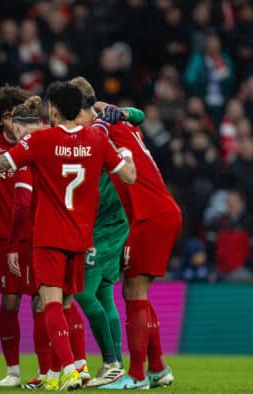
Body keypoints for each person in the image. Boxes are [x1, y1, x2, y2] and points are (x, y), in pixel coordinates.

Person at [0, 81, 136, 391]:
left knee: (49, 303)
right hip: (81, 236)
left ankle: (66, 368)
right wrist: (129, 156)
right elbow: (129, 176)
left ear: (52, 110)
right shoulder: (96, 138)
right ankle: (73, 368)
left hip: (50, 235)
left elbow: (0, 165)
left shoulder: (41, 140)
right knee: (65, 304)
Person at [92, 92, 182, 390]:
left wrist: (118, 112)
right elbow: (138, 114)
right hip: (157, 212)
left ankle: (137, 376)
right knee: (138, 292)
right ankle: (156, 369)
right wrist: (125, 112)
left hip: (150, 216)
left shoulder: (102, 129)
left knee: (133, 292)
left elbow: (132, 112)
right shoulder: (125, 127)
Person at [69, 76, 147, 387]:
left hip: (109, 223)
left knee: (82, 292)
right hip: (102, 221)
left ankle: (113, 361)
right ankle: (114, 365)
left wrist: (120, 111)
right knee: (103, 294)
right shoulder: (86, 130)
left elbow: (138, 114)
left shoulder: (102, 126)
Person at [0, 86, 41, 388]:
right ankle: (13, 371)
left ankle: (48, 369)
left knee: (42, 303)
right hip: (7, 236)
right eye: (4, 116)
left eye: (13, 116)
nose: (10, 123)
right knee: (9, 303)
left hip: (39, 235)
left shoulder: (39, 143)